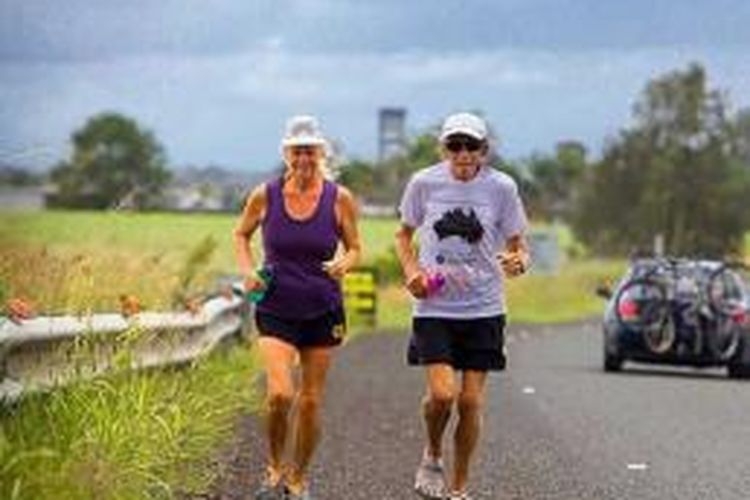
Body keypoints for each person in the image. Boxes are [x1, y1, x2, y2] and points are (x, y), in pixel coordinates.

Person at [395, 112, 530, 500]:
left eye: (471, 146)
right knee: (442, 395)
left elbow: (519, 244)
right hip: (435, 307)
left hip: (484, 308)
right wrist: (411, 272)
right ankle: (433, 454)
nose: (463, 154)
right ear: (444, 148)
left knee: (470, 402)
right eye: (455, 145)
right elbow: (403, 235)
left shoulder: (502, 188)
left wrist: (519, 261)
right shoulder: (424, 183)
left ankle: (458, 489)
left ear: (484, 151)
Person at [233, 115, 361, 500]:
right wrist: (247, 270)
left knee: (310, 401)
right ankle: (274, 466)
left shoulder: (339, 198)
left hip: (323, 309)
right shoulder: (265, 195)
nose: (304, 156)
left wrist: (345, 263)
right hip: (275, 307)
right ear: (286, 153)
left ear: (321, 153)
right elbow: (241, 234)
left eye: (310, 149)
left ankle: (299, 478)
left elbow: (355, 248)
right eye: (297, 149)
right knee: (280, 395)